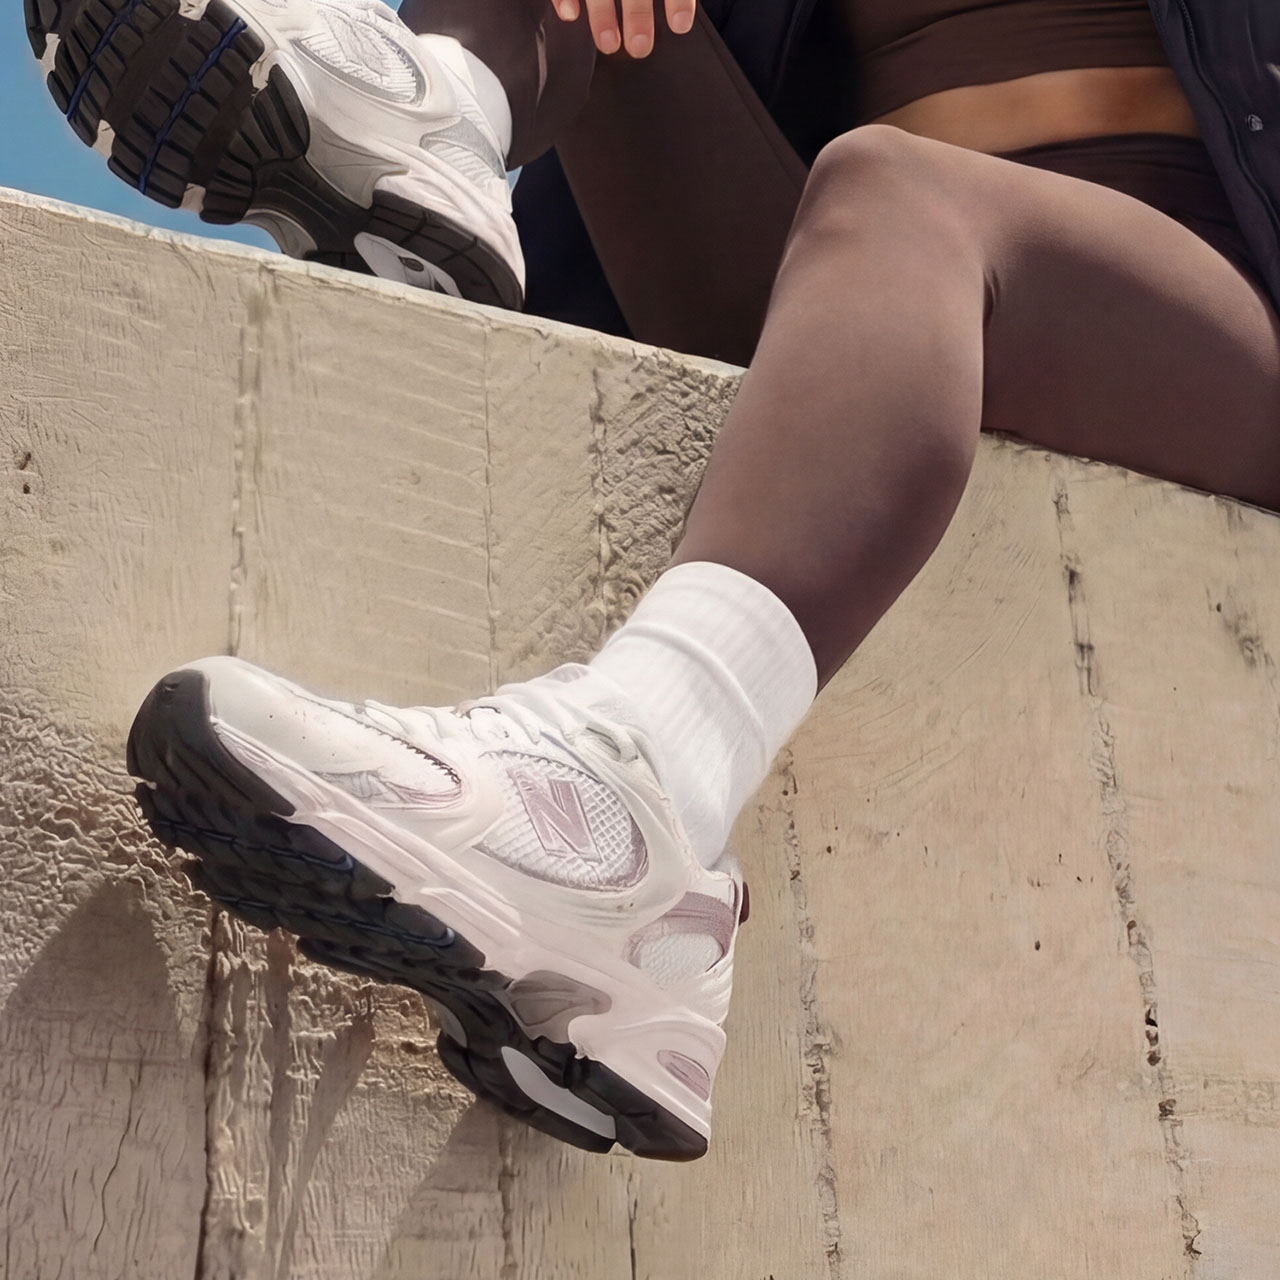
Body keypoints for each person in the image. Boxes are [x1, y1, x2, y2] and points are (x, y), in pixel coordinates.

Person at [31, 0, 1280, 1159]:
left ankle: (636, 809)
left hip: (1190, 319)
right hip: (850, 298)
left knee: (905, 196)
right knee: (877, 200)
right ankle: (445, 109)